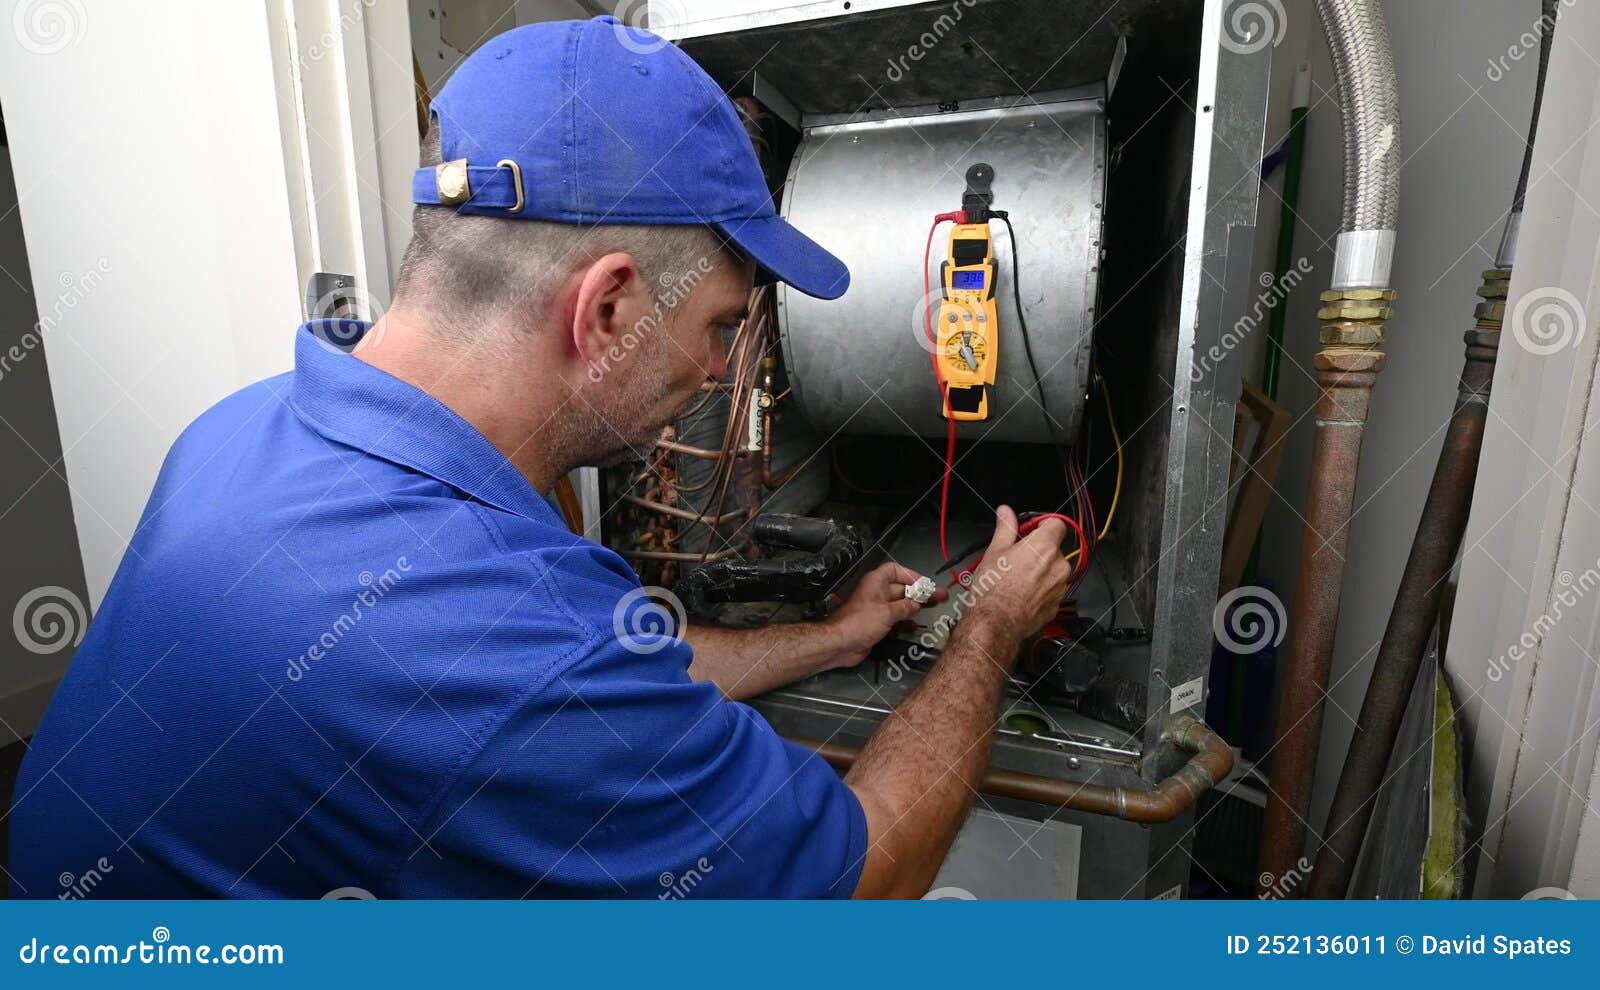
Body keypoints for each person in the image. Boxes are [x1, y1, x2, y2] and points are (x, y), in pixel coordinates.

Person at [8, 16, 1072, 899]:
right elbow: (863, 878)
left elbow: (601, 669)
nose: (719, 371)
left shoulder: (242, 426)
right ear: (607, 309)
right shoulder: (493, 638)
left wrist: (831, 639)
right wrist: (987, 627)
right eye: (715, 326)